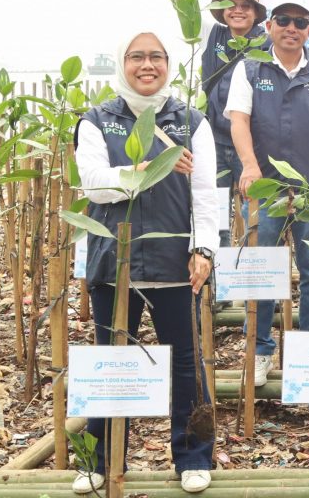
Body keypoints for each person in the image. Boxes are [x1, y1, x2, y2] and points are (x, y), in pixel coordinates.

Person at [72, 33, 218, 494]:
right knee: (111, 363)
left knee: (187, 364)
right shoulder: (97, 120)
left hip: (175, 262)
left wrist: (204, 249)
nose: (147, 65)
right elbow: (95, 186)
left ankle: (193, 457)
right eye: (137, 56)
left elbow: (205, 195)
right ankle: (101, 460)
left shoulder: (191, 121)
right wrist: (152, 166)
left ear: (169, 63)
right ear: (123, 63)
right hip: (113, 262)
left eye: (156, 56)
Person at [225, 2, 309, 387]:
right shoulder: (251, 68)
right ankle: (259, 350)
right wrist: (249, 166)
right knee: (261, 273)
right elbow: (239, 120)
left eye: (300, 22)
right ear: (270, 26)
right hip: (265, 190)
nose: (292, 27)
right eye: (284, 21)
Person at [166, 0, 270, 246]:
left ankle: (254, 272)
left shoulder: (269, 43)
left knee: (257, 213)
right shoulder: (211, 34)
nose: (237, 10)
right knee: (215, 211)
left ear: (256, 14)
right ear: (223, 12)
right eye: (231, 5)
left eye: (245, 6)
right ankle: (218, 269)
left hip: (253, 143)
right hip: (214, 140)